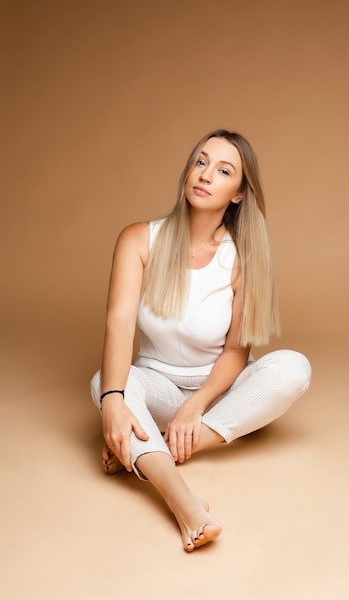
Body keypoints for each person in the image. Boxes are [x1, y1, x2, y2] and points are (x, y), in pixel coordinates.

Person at [90, 129, 311, 552]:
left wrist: (196, 405)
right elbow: (118, 323)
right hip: (157, 390)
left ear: (239, 193)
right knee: (105, 382)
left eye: (223, 170)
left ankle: (150, 450)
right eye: (201, 161)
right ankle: (185, 503)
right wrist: (116, 399)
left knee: (294, 367)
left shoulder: (242, 255)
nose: (206, 174)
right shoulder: (139, 239)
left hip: (220, 397)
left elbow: (235, 351)